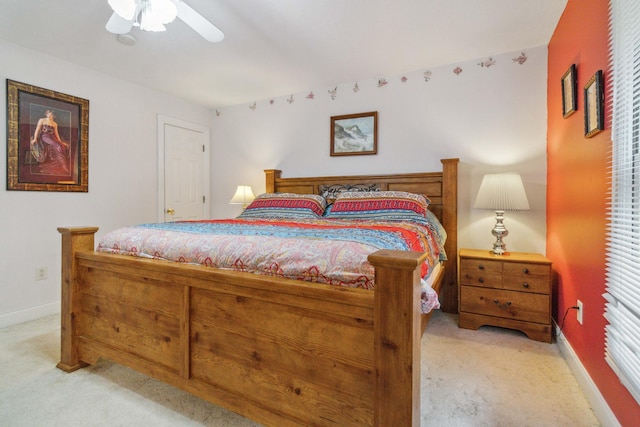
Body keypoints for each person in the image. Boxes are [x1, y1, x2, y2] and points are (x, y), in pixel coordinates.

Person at [30, 110, 70, 175]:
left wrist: (60, 141)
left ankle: (63, 165)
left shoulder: (55, 124)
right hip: (45, 136)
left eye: (51, 115)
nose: (50, 116)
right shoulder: (42, 120)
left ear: (54, 116)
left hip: (53, 137)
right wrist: (35, 139)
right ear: (46, 114)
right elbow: (37, 129)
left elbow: (56, 134)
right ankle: (64, 165)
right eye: (49, 114)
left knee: (62, 146)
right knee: (58, 146)